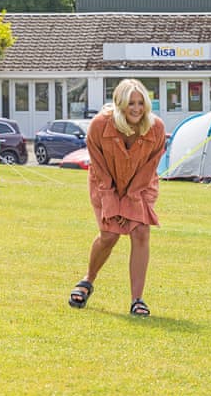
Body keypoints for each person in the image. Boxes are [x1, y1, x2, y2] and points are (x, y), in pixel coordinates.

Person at [68, 79, 166, 317]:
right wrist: (114, 203)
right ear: (119, 104)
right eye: (130, 103)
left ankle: (137, 300)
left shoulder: (156, 128)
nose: (136, 108)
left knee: (141, 232)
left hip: (140, 186)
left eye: (140, 103)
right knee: (109, 234)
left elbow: (150, 168)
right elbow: (99, 168)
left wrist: (130, 200)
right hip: (105, 183)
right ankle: (88, 280)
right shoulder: (99, 126)